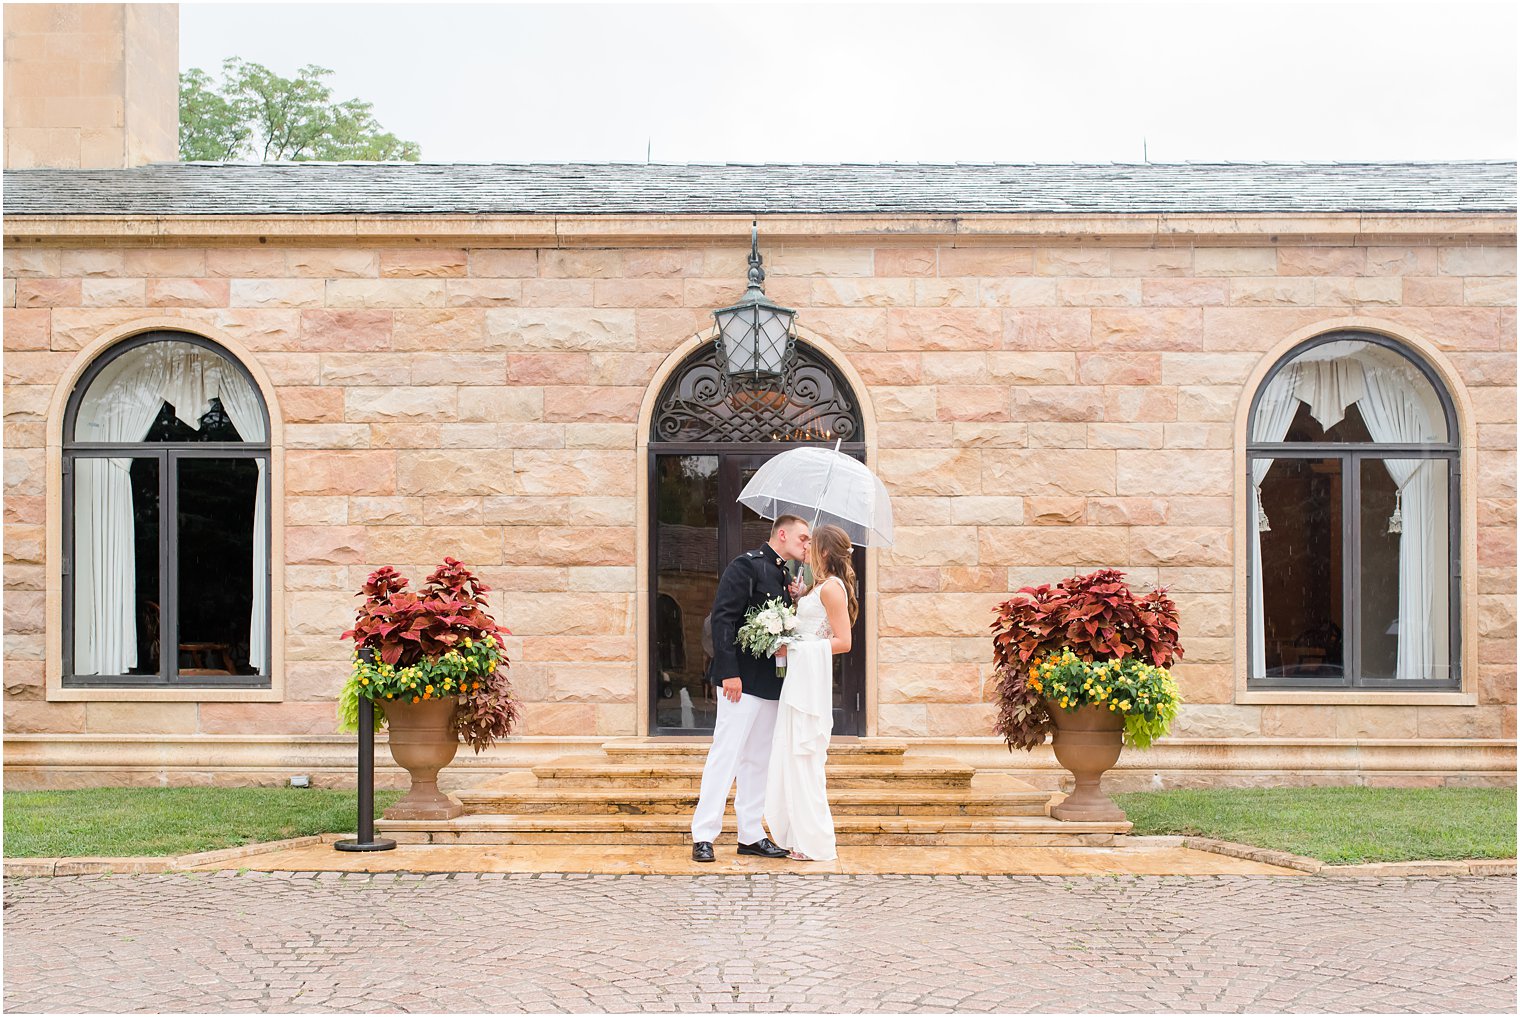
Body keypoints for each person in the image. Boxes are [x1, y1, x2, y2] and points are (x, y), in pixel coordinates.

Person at [689, 515, 811, 863]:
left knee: (758, 761)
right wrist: (728, 672)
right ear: (782, 534)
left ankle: (751, 834)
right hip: (738, 682)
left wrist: (797, 599)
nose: (806, 545)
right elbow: (723, 617)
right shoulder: (747, 565)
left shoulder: (786, 577)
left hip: (770, 683)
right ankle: (704, 835)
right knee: (725, 756)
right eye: (802, 538)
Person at [765, 523, 856, 862]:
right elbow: (810, 624)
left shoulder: (832, 588)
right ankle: (796, 836)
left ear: (825, 552)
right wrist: (798, 598)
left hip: (809, 678)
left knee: (805, 757)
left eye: (810, 543)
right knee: (791, 755)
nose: (805, 548)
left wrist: (796, 648)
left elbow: (843, 641)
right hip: (797, 678)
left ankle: (812, 840)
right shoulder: (817, 587)